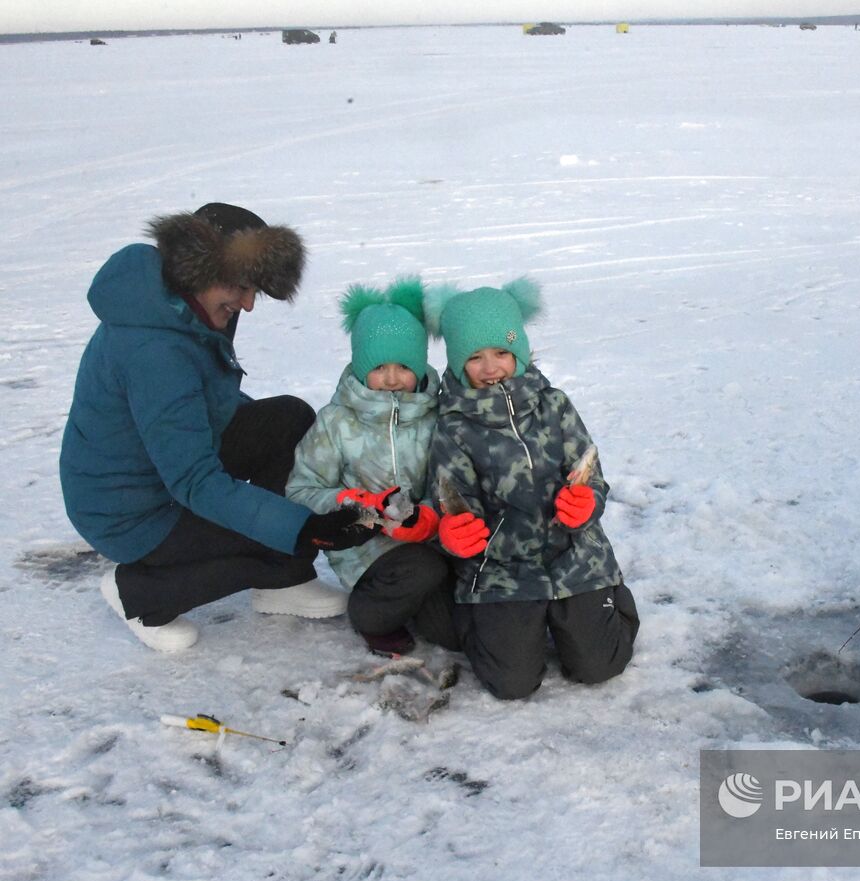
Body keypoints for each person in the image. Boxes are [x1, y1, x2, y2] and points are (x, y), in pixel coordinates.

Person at [61, 203, 375, 653]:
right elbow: (195, 482)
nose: (247, 303)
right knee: (268, 537)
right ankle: (139, 593)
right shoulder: (155, 351)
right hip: (130, 512)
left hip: (161, 468)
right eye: (242, 287)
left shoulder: (180, 307)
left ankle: (283, 582)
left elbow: (202, 409)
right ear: (198, 268)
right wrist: (307, 529)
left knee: (288, 420)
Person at [425, 277, 639, 699]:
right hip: (502, 568)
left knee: (602, 664)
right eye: (475, 357)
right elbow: (452, 495)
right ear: (456, 363)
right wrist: (455, 529)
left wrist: (587, 501)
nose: (491, 368)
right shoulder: (452, 425)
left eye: (502, 352)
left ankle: (607, 597)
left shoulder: (554, 404)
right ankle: (473, 619)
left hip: (573, 555)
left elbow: (589, 471)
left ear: (519, 351)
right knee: (512, 683)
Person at [285, 277, 457, 656]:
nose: (392, 378)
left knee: (454, 631)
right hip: (365, 552)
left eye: (403, 366)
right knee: (423, 570)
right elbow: (301, 490)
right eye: (379, 366)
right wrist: (351, 500)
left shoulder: (437, 415)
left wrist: (427, 516)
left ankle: (420, 605)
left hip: (433, 545)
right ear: (361, 365)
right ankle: (371, 614)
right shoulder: (337, 422)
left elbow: (450, 481)